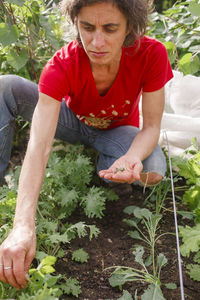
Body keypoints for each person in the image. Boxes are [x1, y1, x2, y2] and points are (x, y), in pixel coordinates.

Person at [0, 0, 173, 290]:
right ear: (76, 23)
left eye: (110, 29)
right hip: (71, 123)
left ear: (129, 27)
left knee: (153, 169)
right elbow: (38, 146)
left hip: (116, 131)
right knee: (5, 85)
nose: (97, 41)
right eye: (87, 28)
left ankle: (108, 165)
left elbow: (152, 126)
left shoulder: (151, 53)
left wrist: (132, 156)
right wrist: (22, 225)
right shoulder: (62, 65)